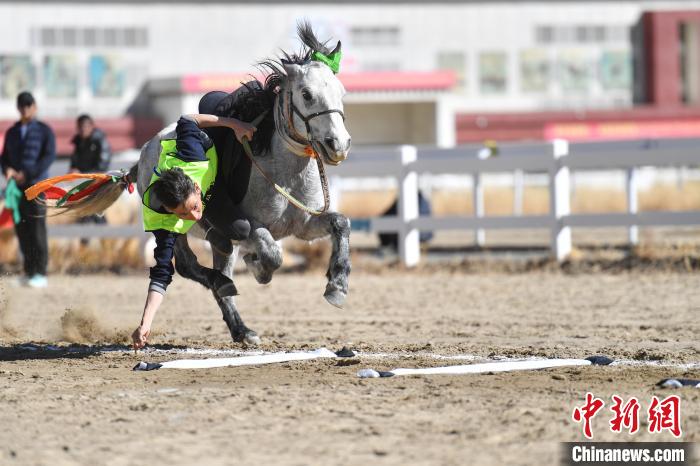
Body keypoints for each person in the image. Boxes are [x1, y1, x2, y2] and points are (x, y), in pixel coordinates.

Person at [131, 113, 256, 350]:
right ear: (170, 210)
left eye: (194, 208)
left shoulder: (191, 154)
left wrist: (236, 124)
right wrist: (145, 323)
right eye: (182, 214)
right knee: (236, 228)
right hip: (202, 192)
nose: (194, 218)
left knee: (239, 229)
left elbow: (187, 119)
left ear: (196, 189)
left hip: (210, 176)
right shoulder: (162, 222)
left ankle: (210, 228)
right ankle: (208, 258)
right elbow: (161, 274)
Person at [1, 91, 55, 288]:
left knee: (37, 229)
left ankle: (40, 272)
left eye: (28, 105)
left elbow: (48, 157)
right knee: (22, 229)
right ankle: (29, 271)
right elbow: (4, 157)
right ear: (18, 108)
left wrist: (28, 173)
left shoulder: (44, 131)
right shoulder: (12, 132)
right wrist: (7, 169)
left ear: (34, 107)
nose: (25, 109)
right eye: (22, 106)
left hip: (37, 186)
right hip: (17, 189)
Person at [69, 114, 112, 239]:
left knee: (95, 212)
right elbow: (74, 162)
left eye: (85, 126)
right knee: (86, 213)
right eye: (80, 127)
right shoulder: (78, 142)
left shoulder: (99, 140)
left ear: (91, 126)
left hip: (97, 184)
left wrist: (81, 174)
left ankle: (104, 240)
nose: (83, 129)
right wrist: (74, 171)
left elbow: (102, 166)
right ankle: (89, 242)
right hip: (83, 185)